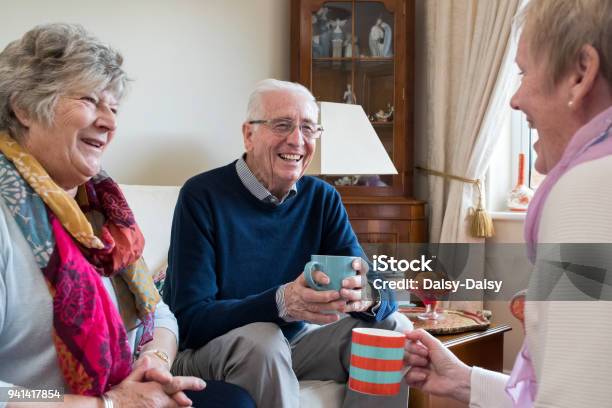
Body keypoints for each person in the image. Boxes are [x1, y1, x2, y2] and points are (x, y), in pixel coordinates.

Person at [0, 23, 254, 408]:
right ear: (23, 107)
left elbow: (161, 314)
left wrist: (155, 361)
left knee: (234, 401)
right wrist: (109, 405)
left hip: (123, 392)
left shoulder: (103, 207)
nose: (110, 123)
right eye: (88, 100)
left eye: (114, 108)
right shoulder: (7, 220)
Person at [403, 1, 612, 407]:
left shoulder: (588, 189)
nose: (515, 99)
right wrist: (466, 382)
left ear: (581, 73)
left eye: (524, 72)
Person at [163, 78, 413, 407]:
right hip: (211, 349)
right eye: (282, 125)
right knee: (263, 341)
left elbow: (377, 286)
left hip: (293, 345)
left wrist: (365, 295)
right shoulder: (201, 196)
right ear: (248, 134)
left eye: (308, 128)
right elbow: (191, 321)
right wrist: (282, 302)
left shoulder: (321, 199)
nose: (297, 140)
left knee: (390, 326)